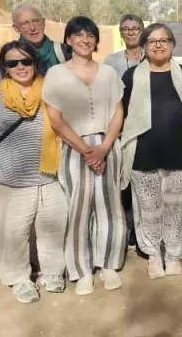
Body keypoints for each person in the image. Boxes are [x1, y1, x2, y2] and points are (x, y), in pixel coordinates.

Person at [0, 41, 66, 304]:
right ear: (4, 67)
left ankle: (52, 271)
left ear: (35, 63)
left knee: (53, 227)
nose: (20, 67)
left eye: (26, 61)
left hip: (51, 175)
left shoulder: (50, 92)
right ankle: (19, 278)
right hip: (12, 178)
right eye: (13, 63)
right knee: (13, 233)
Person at [42, 16, 127, 296]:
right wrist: (86, 150)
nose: (84, 39)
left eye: (90, 35)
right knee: (78, 209)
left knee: (109, 206)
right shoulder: (56, 74)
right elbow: (56, 119)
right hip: (74, 148)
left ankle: (109, 264)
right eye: (78, 34)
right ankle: (81, 270)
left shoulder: (108, 73)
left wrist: (104, 147)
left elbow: (118, 113)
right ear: (68, 40)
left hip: (107, 145)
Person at [121, 23, 182, 279]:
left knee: (175, 207)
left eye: (164, 40)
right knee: (148, 208)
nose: (159, 45)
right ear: (144, 46)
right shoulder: (131, 76)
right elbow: (123, 114)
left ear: (172, 44)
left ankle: (172, 254)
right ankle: (153, 254)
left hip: (177, 151)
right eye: (152, 41)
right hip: (143, 153)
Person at [104, 14, 145, 252]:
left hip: (147, 127)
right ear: (121, 33)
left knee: (144, 180)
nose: (131, 32)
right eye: (126, 29)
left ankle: (144, 230)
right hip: (120, 128)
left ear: (142, 30)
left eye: (135, 28)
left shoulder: (152, 56)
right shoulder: (111, 62)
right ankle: (129, 230)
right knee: (125, 181)